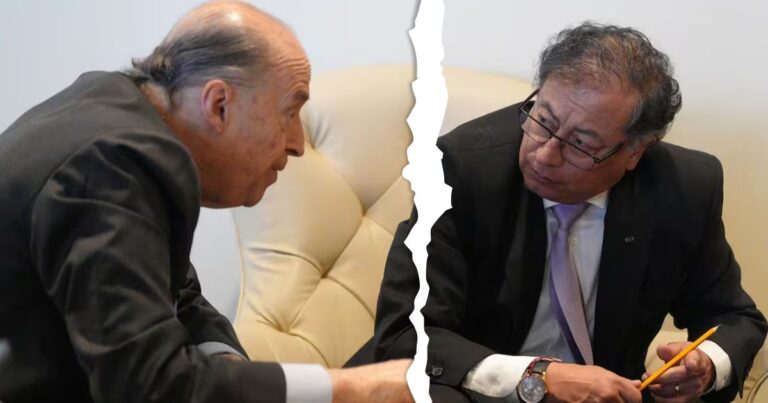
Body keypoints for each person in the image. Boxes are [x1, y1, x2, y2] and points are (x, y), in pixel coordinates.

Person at [0, 2, 413, 402]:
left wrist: (226, 369)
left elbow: (178, 295)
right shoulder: (114, 163)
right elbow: (151, 386)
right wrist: (352, 389)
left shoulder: (116, 113)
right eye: (290, 114)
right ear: (219, 105)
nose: (297, 144)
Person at [372, 22, 767, 402]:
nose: (544, 155)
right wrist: (538, 377)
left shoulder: (682, 189)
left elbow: (733, 317)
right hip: (464, 392)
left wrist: (705, 366)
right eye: (543, 121)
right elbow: (405, 333)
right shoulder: (462, 169)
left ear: (635, 152)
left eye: (580, 144)